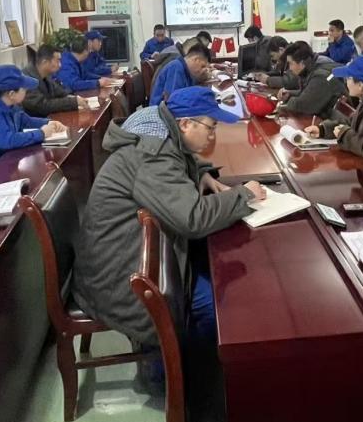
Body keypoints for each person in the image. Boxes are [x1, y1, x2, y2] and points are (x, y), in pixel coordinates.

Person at [73, 86, 266, 400]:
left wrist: (201, 173)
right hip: (121, 278)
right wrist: (244, 195)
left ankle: (191, 365)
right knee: (215, 305)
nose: (213, 135)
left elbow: (178, 163)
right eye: (211, 127)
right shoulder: (152, 155)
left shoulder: (158, 128)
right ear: (185, 124)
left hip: (125, 256)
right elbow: (192, 219)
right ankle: (183, 383)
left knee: (219, 271)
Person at [0, 65, 68, 172]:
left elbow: (26, 121)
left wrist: (50, 123)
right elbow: (8, 141)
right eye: (24, 89)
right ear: (11, 94)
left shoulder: (9, 104)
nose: (27, 91)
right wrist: (42, 133)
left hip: (5, 160)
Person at [277, 41, 346, 118]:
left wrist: (284, 105)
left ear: (302, 63)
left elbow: (304, 105)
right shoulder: (313, 67)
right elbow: (309, 93)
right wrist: (290, 94)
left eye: (291, 63)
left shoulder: (321, 76)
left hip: (333, 121)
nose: (290, 68)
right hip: (326, 116)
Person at [22, 44, 88, 115]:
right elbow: (42, 106)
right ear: (45, 62)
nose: (60, 65)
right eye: (57, 61)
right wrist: (73, 102)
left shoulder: (46, 75)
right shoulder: (27, 79)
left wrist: (73, 98)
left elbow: (60, 92)